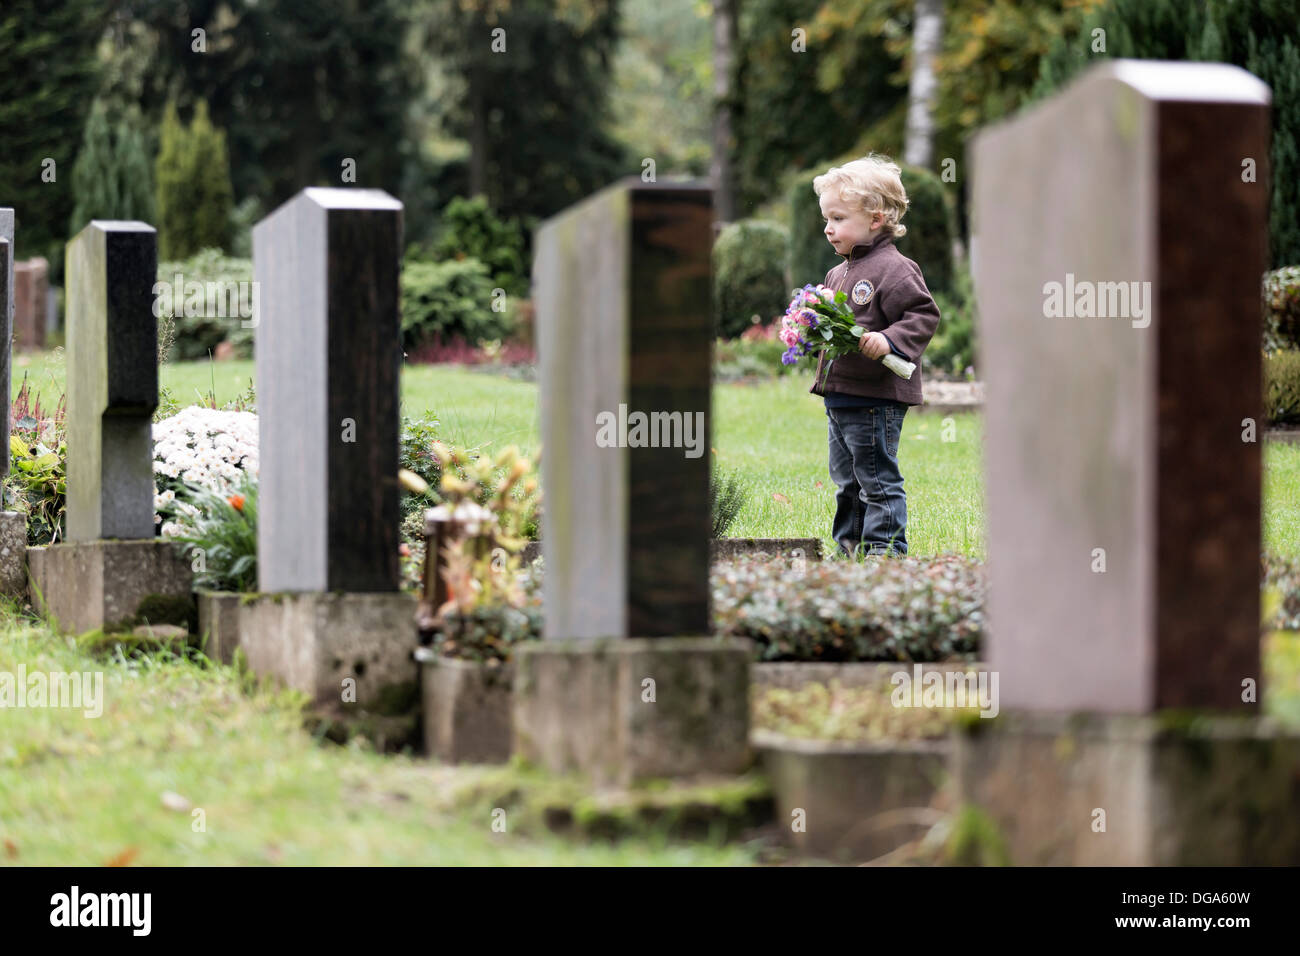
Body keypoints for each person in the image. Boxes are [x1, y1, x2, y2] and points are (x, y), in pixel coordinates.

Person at [810, 154, 941, 559]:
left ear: (875, 219)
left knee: (876, 478)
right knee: (846, 480)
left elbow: (923, 314)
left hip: (874, 399)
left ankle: (886, 550)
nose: (829, 229)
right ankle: (849, 547)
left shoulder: (894, 269)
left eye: (838, 218)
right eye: (826, 219)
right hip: (841, 395)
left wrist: (889, 339)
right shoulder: (837, 273)